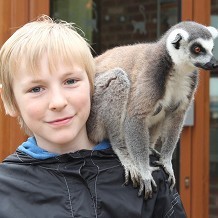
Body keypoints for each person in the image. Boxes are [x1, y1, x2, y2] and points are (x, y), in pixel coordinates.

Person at [0, 15, 187, 218]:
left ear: (94, 84)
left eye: (70, 81)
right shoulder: (6, 189)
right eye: (36, 88)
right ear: (10, 101)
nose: (58, 102)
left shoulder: (149, 174)